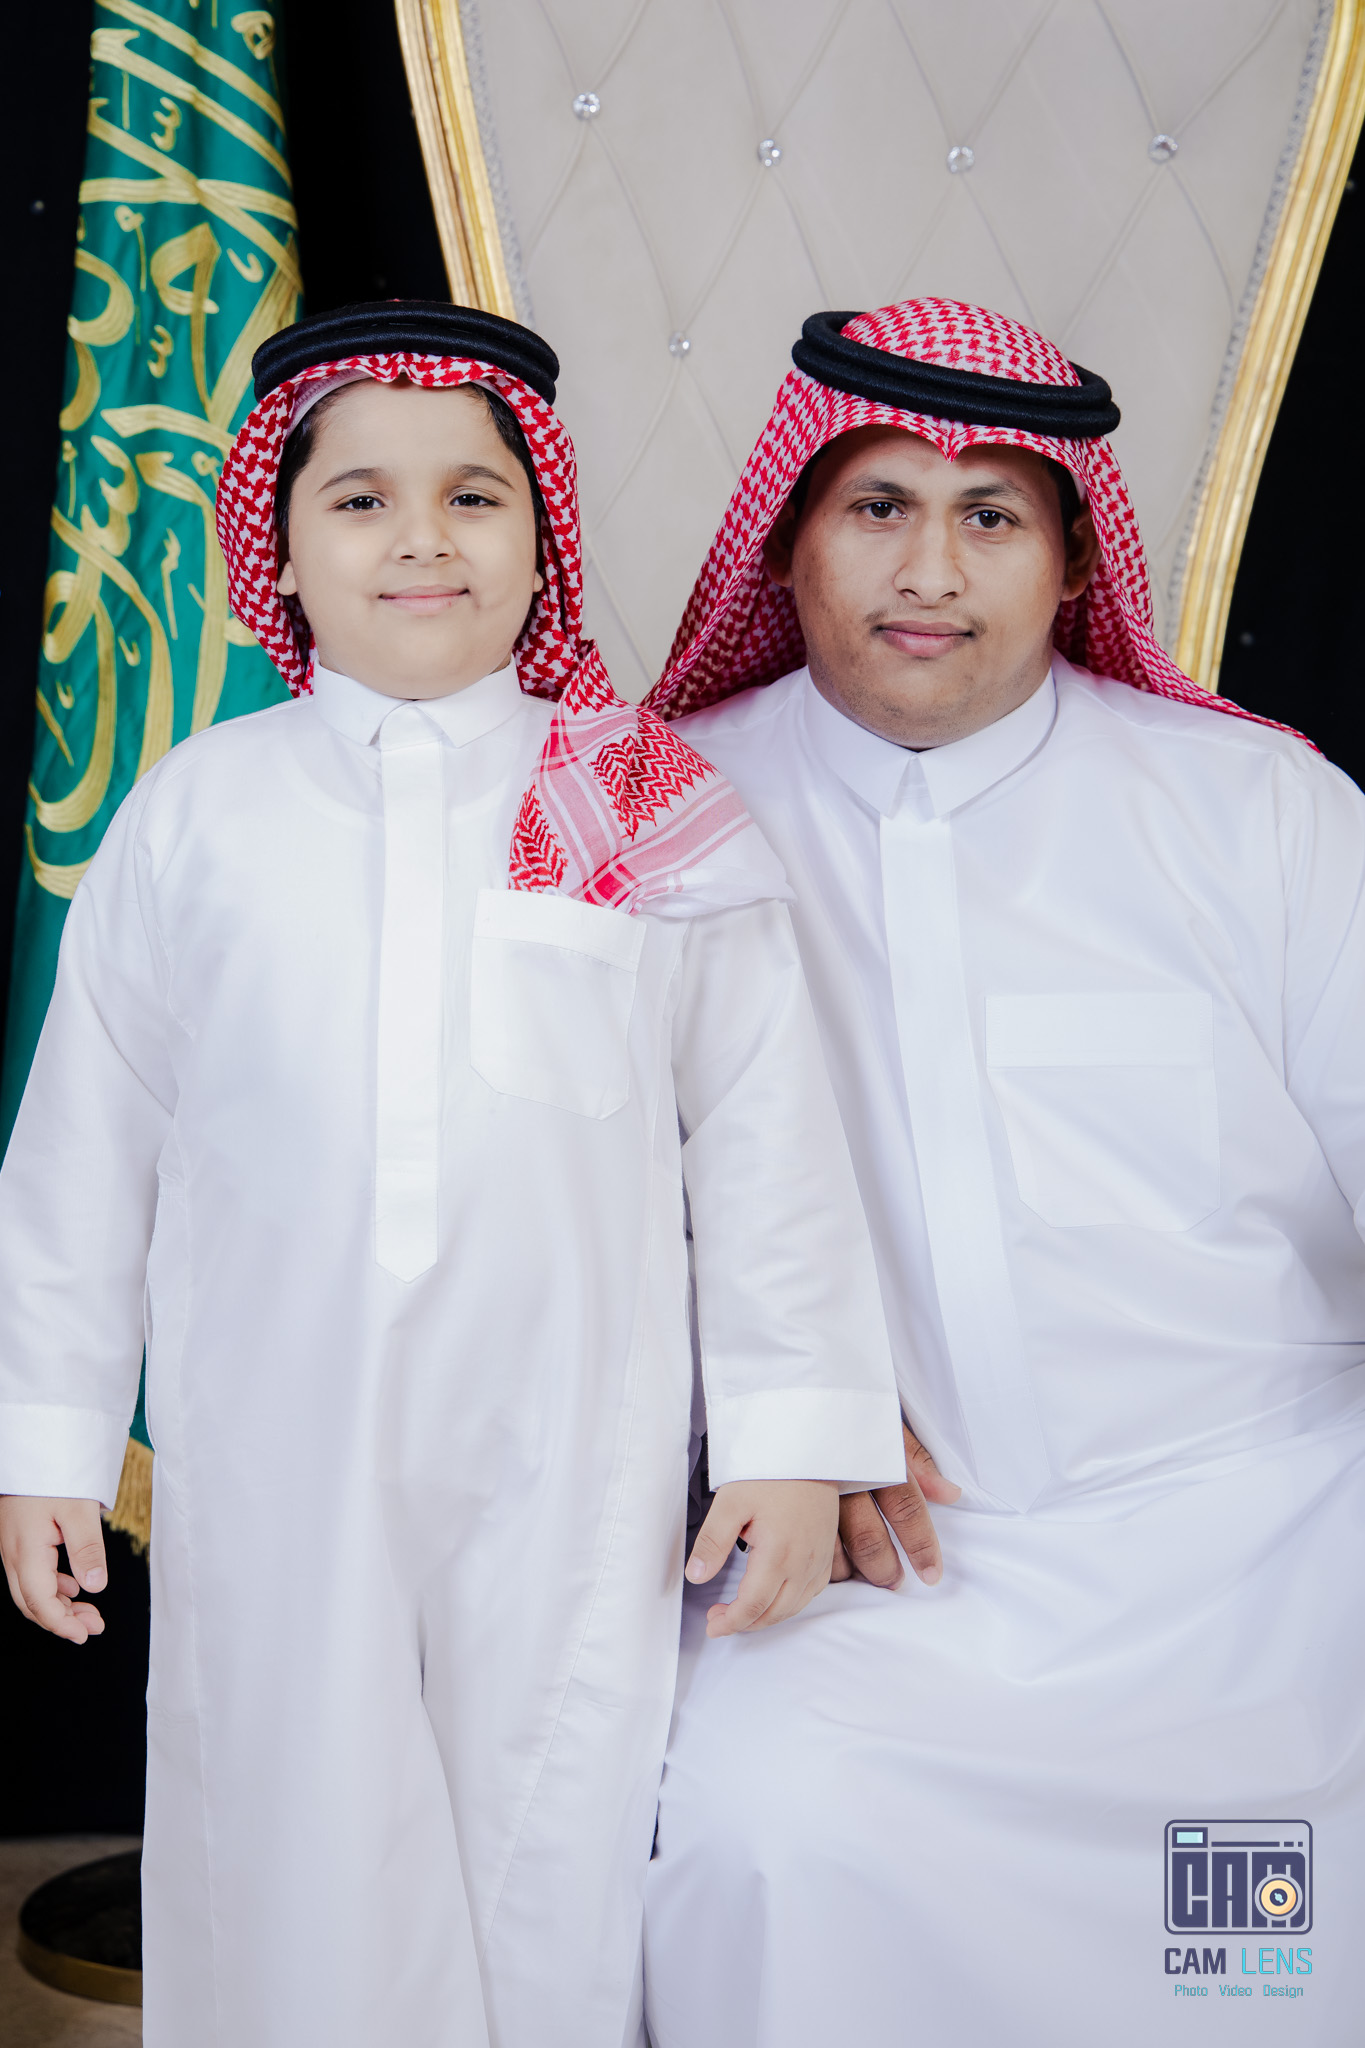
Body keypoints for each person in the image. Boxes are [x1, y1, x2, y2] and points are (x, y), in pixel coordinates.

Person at [0, 301, 906, 2048]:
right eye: (360, 501)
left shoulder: (641, 800)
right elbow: (83, 1155)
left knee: (553, 1832)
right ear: (279, 549)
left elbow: (764, 1136)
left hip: (575, 1441)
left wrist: (792, 1439)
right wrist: (46, 1443)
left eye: (472, 497)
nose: (421, 538)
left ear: (542, 535)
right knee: (285, 1824)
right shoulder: (195, 812)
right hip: (274, 1435)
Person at [640, 298, 1365, 2046]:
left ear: (1070, 563)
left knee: (1250, 1956)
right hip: (876, 1573)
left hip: (1260, 1559)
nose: (930, 570)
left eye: (989, 515)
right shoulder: (661, 823)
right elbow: (563, 1221)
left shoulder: (1256, 811)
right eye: (877, 506)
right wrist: (770, 1411)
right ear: (788, 543)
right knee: (759, 1845)